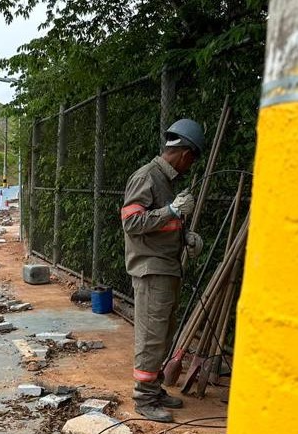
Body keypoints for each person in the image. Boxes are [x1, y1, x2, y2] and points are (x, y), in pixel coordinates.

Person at [120, 119, 205, 423]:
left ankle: (153, 389)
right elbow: (132, 222)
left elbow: (160, 226)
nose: (190, 167)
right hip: (151, 269)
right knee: (152, 336)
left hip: (166, 267)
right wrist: (171, 211)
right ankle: (144, 398)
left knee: (164, 334)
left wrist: (186, 237)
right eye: (191, 160)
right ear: (184, 153)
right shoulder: (147, 176)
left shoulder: (165, 182)